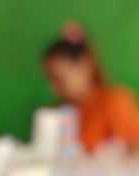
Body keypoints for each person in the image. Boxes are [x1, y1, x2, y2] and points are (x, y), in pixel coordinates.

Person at [43, 22, 139, 153]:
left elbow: (133, 146)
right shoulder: (57, 113)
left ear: (86, 65)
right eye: (50, 79)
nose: (53, 88)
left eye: (60, 79)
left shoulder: (114, 102)